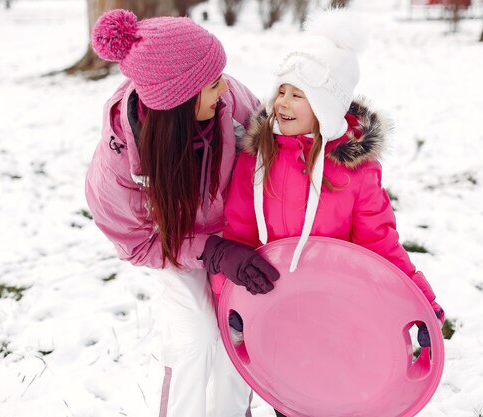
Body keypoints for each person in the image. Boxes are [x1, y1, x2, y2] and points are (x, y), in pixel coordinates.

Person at [213, 9, 445, 417]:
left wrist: (421, 303)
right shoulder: (257, 158)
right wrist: (227, 300)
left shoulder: (355, 171)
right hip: (279, 309)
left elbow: (381, 242)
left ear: (324, 105)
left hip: (342, 312)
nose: (281, 102)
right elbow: (238, 232)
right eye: (281, 90)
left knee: (335, 395)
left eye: (297, 94)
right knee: (291, 398)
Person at [85, 9, 280, 417]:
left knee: (237, 330)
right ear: (179, 101)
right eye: (212, 83)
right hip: (175, 245)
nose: (224, 87)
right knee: (194, 337)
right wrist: (210, 250)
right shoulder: (121, 164)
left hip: (236, 238)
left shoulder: (231, 103)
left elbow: (274, 154)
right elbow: (138, 245)